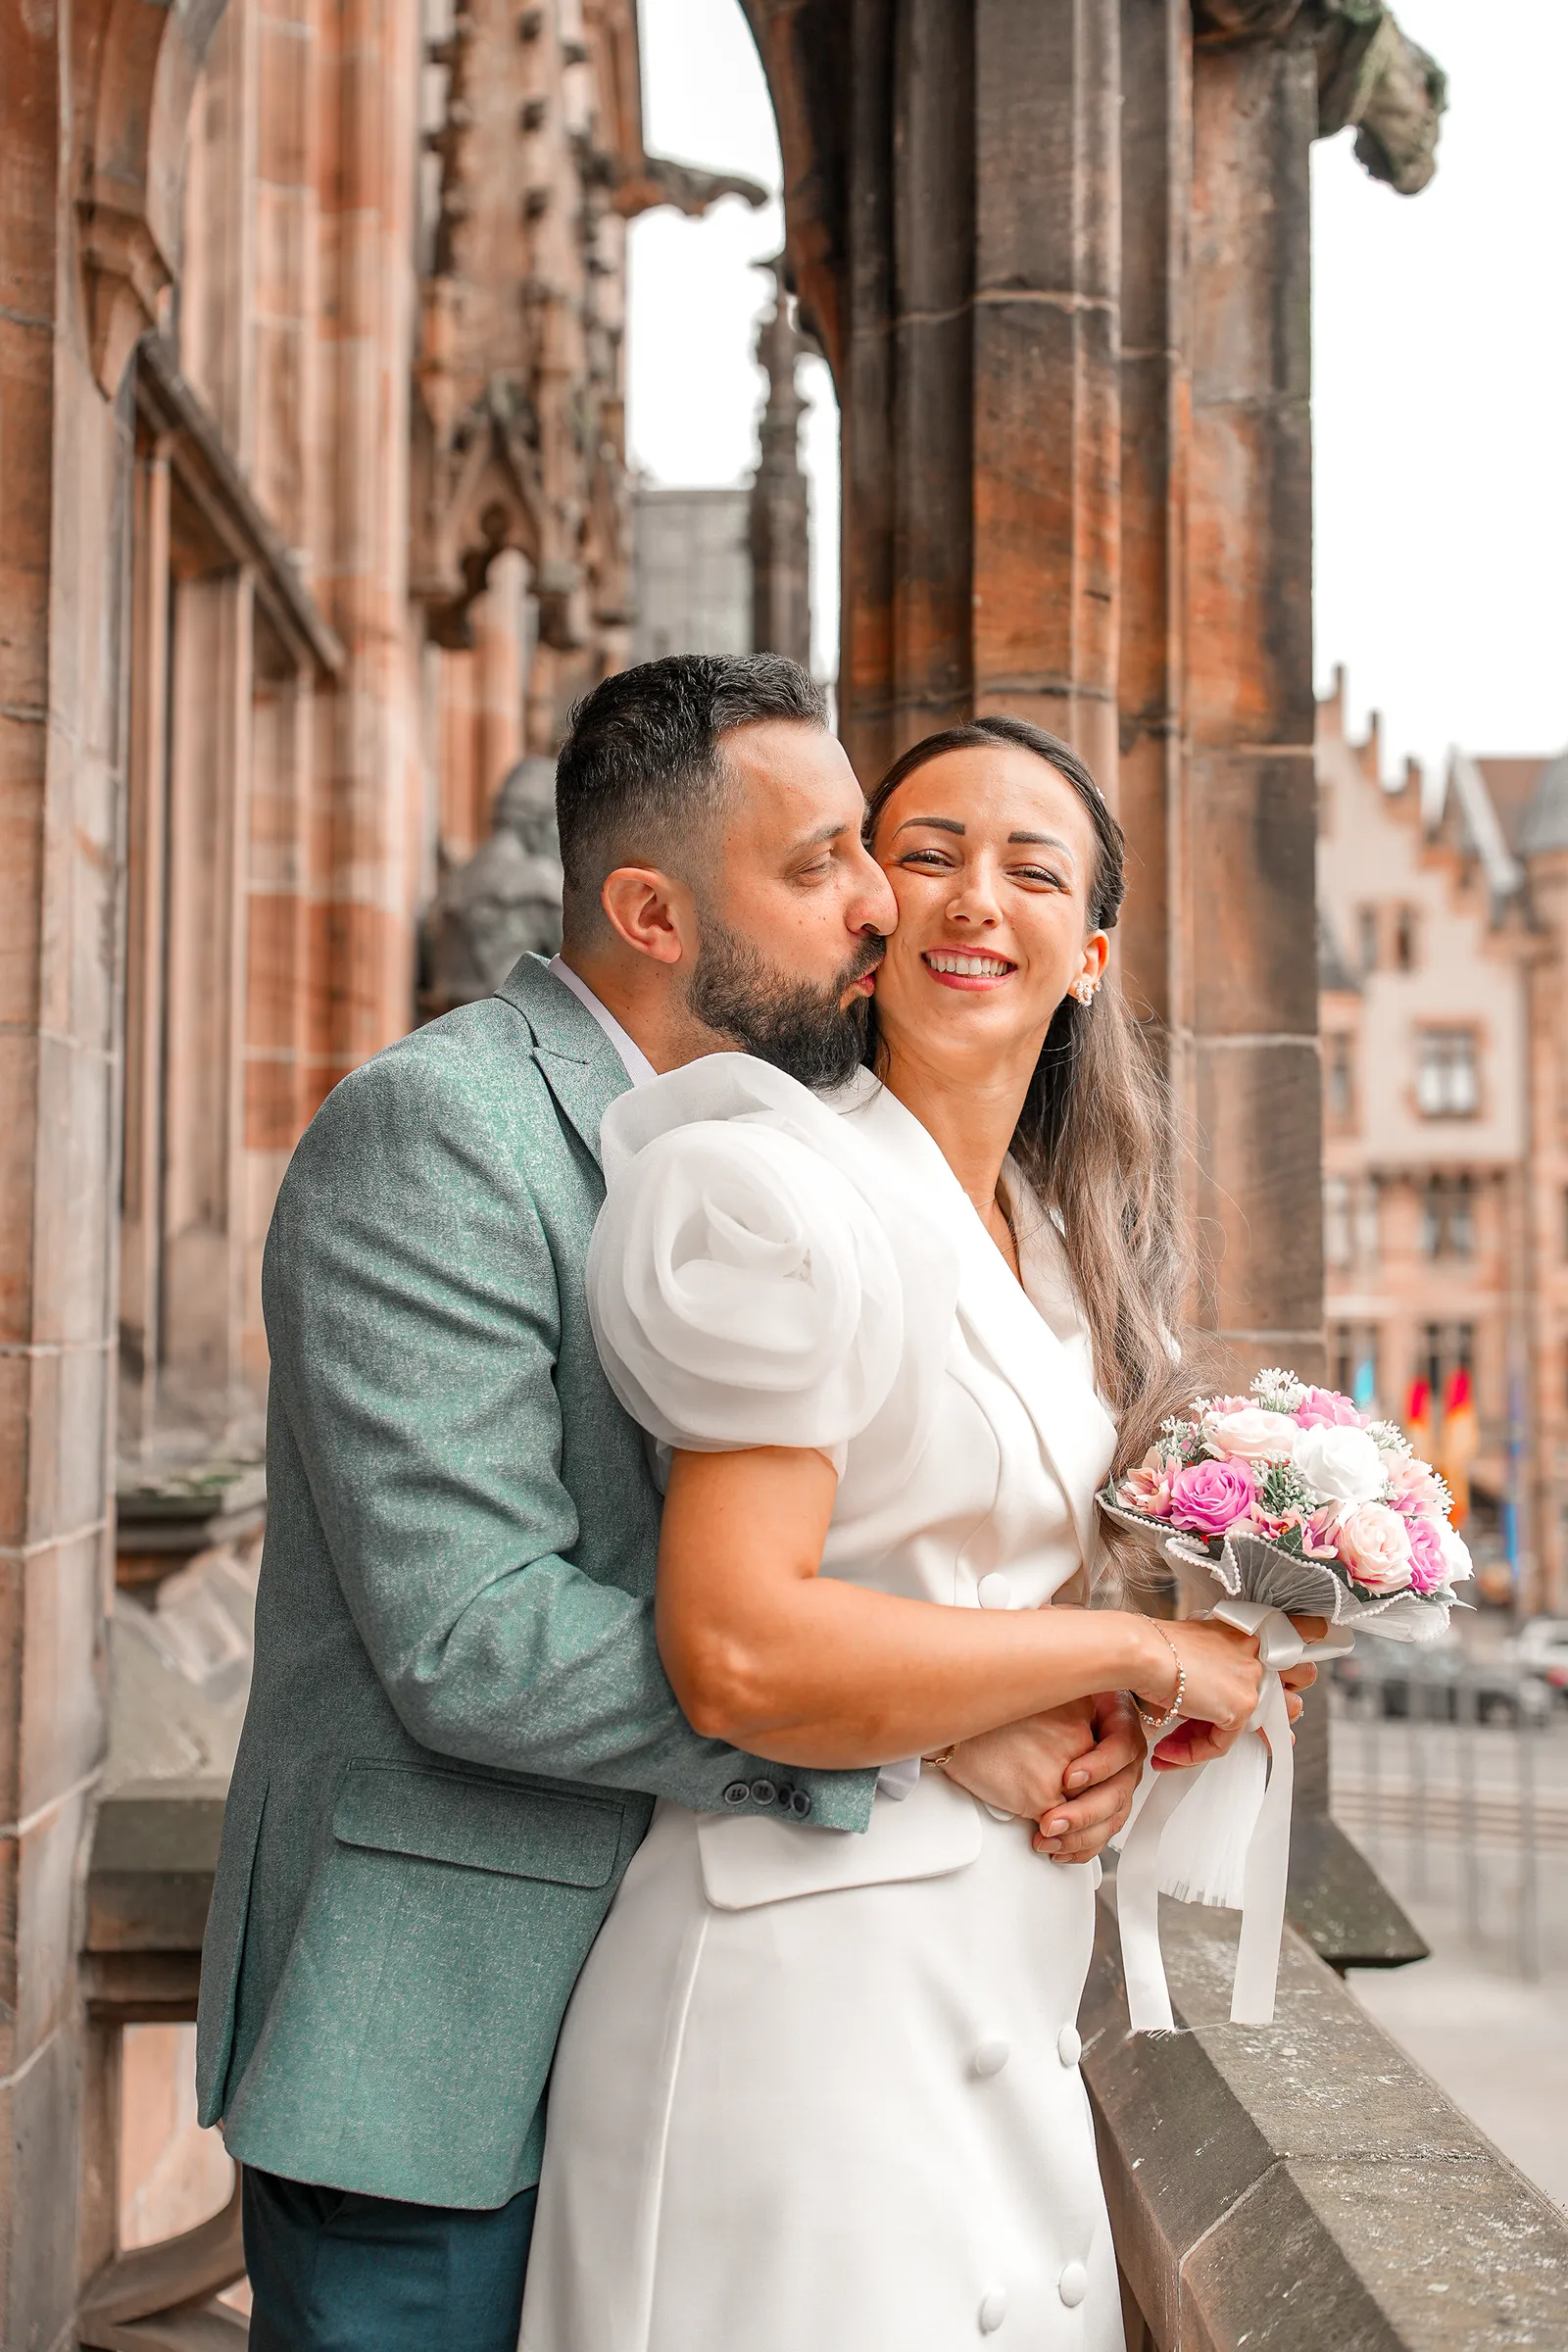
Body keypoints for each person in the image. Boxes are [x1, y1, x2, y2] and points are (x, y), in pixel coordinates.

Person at [195, 660, 1160, 2352]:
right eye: (822, 865)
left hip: (732, 1998)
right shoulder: (438, 1131)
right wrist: (912, 1735)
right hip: (442, 2043)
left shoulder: (791, 1151)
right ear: (651, 912)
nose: (881, 905)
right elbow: (474, 1638)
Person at [518, 712, 1318, 2352]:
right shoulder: (773, 1191)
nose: (973, 899)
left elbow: (980, 1601)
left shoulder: (1060, 1248)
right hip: (799, 2002)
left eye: (1033, 872)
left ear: (1089, 959)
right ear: (870, 915)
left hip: (1004, 1983)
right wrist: (1136, 1650)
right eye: (929, 855)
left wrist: (1126, 1724)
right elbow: (739, 1649)